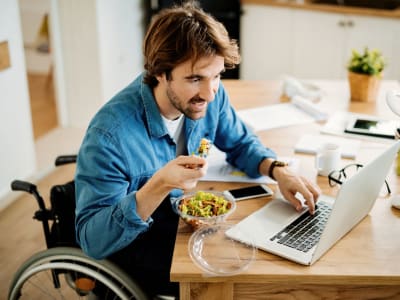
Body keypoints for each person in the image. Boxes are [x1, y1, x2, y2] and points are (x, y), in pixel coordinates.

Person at [75, 1, 321, 298]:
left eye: (216, 76)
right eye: (195, 79)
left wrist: (277, 169)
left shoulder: (209, 96)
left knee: (267, 261)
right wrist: (159, 184)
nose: (209, 92)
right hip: (137, 244)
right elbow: (94, 241)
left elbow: (241, 142)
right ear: (161, 73)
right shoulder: (109, 135)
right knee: (231, 282)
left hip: (185, 224)